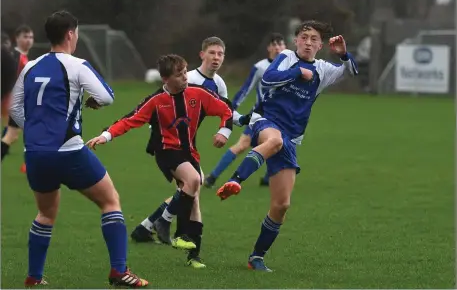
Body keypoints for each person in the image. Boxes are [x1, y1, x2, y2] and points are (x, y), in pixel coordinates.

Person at [9, 10, 148, 287]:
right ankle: (119, 271)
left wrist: (37, 130)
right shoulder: (77, 65)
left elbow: (14, 107)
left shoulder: (30, 66)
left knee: (46, 214)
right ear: (71, 34)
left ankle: (34, 277)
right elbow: (107, 96)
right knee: (110, 201)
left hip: (36, 153)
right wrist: (92, 102)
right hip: (69, 151)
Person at [216, 20, 358, 272]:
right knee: (274, 140)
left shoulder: (323, 70)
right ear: (296, 41)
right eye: (304, 37)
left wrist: (344, 55)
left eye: (314, 39)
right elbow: (269, 80)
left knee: (281, 205)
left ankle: (256, 257)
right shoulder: (286, 57)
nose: (308, 42)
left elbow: (352, 73)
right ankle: (237, 180)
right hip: (266, 121)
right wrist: (296, 73)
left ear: (320, 45)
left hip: (292, 138)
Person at [87, 54, 233, 269]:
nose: (185, 77)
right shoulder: (156, 101)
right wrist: (106, 135)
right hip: (166, 152)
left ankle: (193, 254)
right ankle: (169, 225)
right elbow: (130, 120)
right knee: (193, 180)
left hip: (190, 153)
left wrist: (224, 131)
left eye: (185, 72)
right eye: (179, 74)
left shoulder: (198, 93)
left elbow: (226, 109)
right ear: (165, 79)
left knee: (194, 196)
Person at [204, 33, 286, 188]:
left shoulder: (290, 66)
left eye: (280, 44)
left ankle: (268, 178)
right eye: (273, 44)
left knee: (277, 146)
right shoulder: (260, 67)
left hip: (282, 117)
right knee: (242, 145)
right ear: (268, 48)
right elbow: (245, 89)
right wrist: (230, 109)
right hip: (261, 115)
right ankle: (213, 176)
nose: (277, 47)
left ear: (285, 47)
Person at [2, 25, 34, 172]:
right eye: (25, 37)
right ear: (17, 39)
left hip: (20, 101)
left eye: (31, 37)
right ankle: (31, 164)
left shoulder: (24, 57)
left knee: (12, 135)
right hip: (16, 101)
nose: (28, 40)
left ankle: (30, 163)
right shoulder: (15, 56)